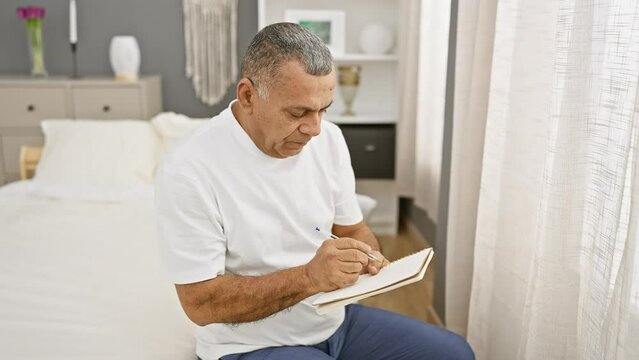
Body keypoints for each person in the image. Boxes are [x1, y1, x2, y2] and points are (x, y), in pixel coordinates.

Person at [155, 22, 474, 360]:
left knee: (454, 353)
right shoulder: (188, 170)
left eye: (323, 109)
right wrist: (309, 277)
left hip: (335, 323)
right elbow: (200, 303)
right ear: (248, 95)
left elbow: (352, 229)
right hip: (250, 345)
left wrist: (365, 255)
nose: (315, 129)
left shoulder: (330, 140)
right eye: (298, 112)